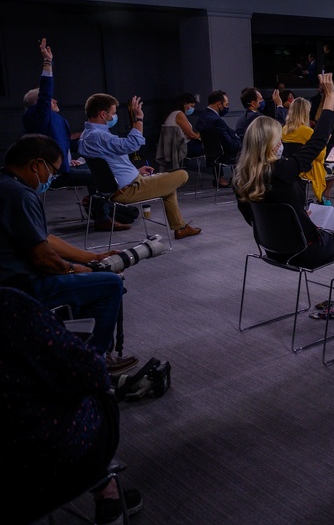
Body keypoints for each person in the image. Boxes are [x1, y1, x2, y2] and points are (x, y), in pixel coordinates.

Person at [1, 287, 143, 525]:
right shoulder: (10, 307)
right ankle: (108, 493)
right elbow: (92, 375)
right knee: (93, 393)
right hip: (46, 458)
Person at [0, 134, 136, 373]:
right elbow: (43, 257)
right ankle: (91, 362)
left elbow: (45, 239)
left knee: (90, 276)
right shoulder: (20, 195)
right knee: (110, 283)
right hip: (19, 288)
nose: (52, 177)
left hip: (10, 280)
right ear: (36, 165)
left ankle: (65, 350)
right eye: (52, 171)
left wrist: (93, 258)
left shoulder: (6, 185)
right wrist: (74, 268)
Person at [233, 74, 334, 312]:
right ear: (271, 145)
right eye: (278, 140)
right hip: (304, 250)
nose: (281, 144)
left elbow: (255, 219)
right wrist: (328, 96)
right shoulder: (283, 169)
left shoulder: (241, 178)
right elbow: (318, 141)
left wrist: (296, 217)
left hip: (272, 249)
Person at [21, 38, 123, 231]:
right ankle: (102, 218)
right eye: (51, 99)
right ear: (40, 104)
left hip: (63, 167)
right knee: (97, 177)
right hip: (53, 174)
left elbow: (63, 143)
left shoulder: (54, 120)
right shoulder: (37, 116)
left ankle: (100, 212)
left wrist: (70, 159)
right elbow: (44, 94)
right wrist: (47, 62)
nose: (55, 100)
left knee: (96, 172)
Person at [78, 94, 201, 241]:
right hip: (130, 189)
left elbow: (109, 165)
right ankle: (180, 228)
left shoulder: (86, 135)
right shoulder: (99, 136)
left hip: (117, 187)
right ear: (103, 115)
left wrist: (136, 171)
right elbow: (132, 144)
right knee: (182, 174)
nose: (115, 116)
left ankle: (180, 228)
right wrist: (139, 118)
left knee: (169, 187)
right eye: (114, 113)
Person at [282, 97, 334, 210]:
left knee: (333, 165)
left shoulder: (284, 129)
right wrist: (324, 142)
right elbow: (320, 156)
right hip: (310, 170)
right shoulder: (307, 131)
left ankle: (325, 197)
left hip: (294, 169)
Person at [195, 89, 241, 184]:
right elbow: (229, 144)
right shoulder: (217, 121)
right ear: (219, 104)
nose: (227, 107)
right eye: (226, 105)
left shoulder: (202, 118)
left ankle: (219, 178)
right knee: (244, 151)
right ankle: (238, 180)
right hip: (222, 155)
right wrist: (241, 143)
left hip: (210, 155)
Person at [161, 92, 203, 157]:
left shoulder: (172, 114)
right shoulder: (179, 114)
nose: (193, 109)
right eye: (192, 106)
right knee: (209, 146)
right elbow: (191, 135)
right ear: (185, 104)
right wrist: (198, 136)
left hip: (174, 148)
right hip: (183, 148)